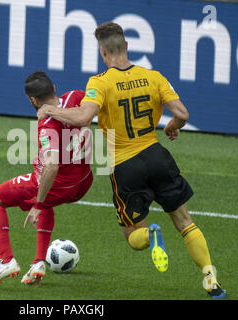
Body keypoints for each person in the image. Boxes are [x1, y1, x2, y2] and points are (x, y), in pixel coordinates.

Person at [37, 22, 226, 298]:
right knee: (185, 221)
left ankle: (151, 236)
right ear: (127, 46)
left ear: (103, 52)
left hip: (125, 165)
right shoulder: (154, 77)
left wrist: (49, 109)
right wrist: (172, 125)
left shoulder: (99, 82)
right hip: (157, 155)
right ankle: (210, 277)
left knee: (131, 233)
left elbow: (82, 117)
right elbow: (182, 113)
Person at [0, 71, 93, 287]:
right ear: (54, 88)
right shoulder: (76, 98)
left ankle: (6, 261)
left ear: (33, 100)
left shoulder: (47, 125)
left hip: (58, 185)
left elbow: (52, 165)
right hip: (83, 181)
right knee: (43, 187)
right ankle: (39, 262)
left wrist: (37, 204)